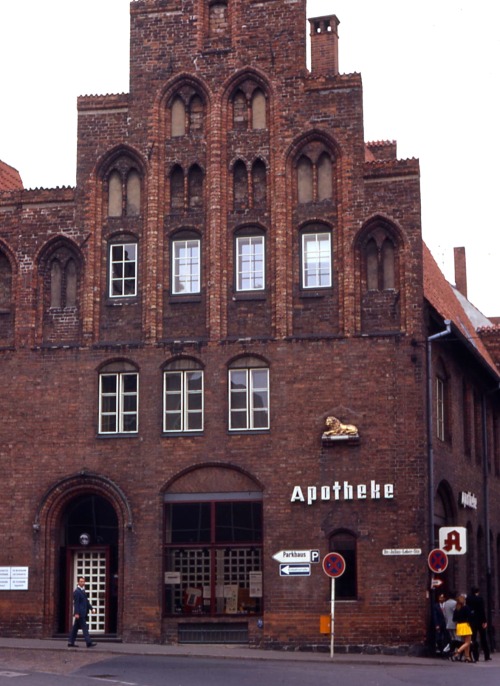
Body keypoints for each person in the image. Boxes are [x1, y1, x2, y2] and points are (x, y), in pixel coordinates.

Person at [68, 577, 97, 648]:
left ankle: (71, 642)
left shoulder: (82, 591)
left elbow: (86, 602)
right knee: (85, 628)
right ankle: (88, 642)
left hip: (82, 613)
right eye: (80, 581)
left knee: (75, 628)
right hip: (80, 614)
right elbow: (76, 603)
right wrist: (76, 613)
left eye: (83, 581)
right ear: (78, 582)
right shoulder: (77, 592)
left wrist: (91, 608)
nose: (82, 583)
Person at [467, 586, 492, 661]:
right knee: (483, 638)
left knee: (473, 639)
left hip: (472, 621)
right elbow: (482, 611)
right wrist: (484, 621)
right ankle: (486, 655)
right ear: (477, 592)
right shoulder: (480, 599)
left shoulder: (468, 599)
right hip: (480, 621)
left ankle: (475, 656)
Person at [452, 594, 474, 662]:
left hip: (459, 625)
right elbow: (470, 616)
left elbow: (454, 619)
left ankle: (467, 657)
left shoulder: (456, 609)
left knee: (465, 642)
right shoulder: (466, 608)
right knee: (468, 642)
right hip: (465, 625)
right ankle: (457, 652)